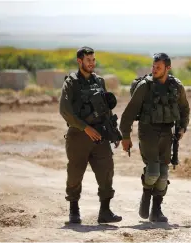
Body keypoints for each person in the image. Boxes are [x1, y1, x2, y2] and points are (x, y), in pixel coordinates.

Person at [119, 53, 190, 222]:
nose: (154, 70)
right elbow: (129, 113)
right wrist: (126, 136)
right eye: (153, 67)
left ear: (168, 68)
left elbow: (184, 109)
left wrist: (182, 128)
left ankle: (156, 210)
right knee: (153, 172)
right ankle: (146, 195)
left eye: (158, 67)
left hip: (167, 132)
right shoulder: (145, 86)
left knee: (163, 175)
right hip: (148, 131)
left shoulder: (176, 86)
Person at [59, 46, 122, 224]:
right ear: (79, 61)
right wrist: (85, 128)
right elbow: (65, 111)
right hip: (79, 135)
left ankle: (105, 211)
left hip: (100, 135)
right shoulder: (71, 83)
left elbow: (105, 109)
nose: (92, 63)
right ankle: (74, 211)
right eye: (88, 60)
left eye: (93, 60)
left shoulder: (99, 81)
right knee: (75, 173)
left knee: (106, 171)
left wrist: (114, 132)